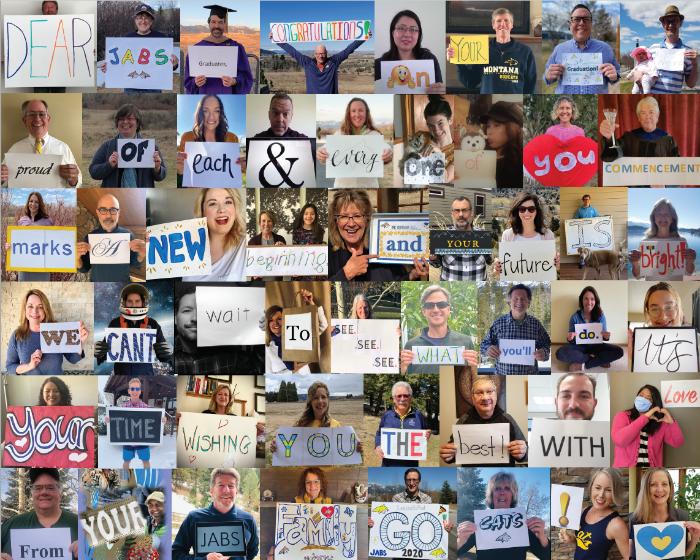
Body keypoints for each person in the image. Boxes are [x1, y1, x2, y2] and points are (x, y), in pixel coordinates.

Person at [328, 189, 428, 281]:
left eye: (357, 216)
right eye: (344, 216)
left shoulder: (384, 243)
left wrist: (411, 276)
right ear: (336, 221)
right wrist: (346, 273)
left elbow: (397, 283)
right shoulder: (327, 250)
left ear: (367, 219)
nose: (351, 224)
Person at [457, 471, 550, 560]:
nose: (502, 492)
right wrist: (460, 541)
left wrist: (542, 537)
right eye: (497, 488)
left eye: (507, 488)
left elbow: (547, 556)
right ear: (492, 494)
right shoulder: (479, 522)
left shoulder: (523, 524)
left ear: (513, 495)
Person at [174, 284, 264, 374]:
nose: (195, 318)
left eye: (201, 311)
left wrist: (264, 333)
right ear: (175, 319)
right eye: (187, 311)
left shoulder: (232, 356)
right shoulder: (165, 356)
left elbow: (258, 370)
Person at [173, 468, 259, 560]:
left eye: (231, 486)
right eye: (221, 485)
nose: (226, 490)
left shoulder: (248, 519)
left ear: (237, 492)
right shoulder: (194, 518)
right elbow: (175, 554)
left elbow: (252, 551)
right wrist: (204, 559)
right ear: (212, 492)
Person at [440, 377, 528, 467]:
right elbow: (453, 453)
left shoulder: (509, 420)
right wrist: (448, 455)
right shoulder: (463, 421)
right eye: (479, 393)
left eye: (490, 392)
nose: (485, 397)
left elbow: (527, 454)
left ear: (496, 395)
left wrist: (523, 453)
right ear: (472, 398)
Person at [447, 7, 537, 94]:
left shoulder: (525, 52)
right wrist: (458, 61)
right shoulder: (480, 50)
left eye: (506, 20)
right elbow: (470, 83)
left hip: (515, 103)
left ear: (512, 24)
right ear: (493, 25)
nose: (503, 24)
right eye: (498, 21)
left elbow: (531, 86)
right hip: (490, 103)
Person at [600, 97, 681, 187]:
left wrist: (665, 185)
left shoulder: (668, 140)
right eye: (643, 113)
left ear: (657, 116)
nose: (647, 117)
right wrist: (609, 137)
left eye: (651, 112)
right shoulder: (629, 137)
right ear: (639, 117)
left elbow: (678, 173)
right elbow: (613, 156)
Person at [94, 283, 173, 375]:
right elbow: (106, 352)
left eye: (137, 301)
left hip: (146, 374)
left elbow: (162, 356)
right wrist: (99, 352)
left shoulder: (152, 324)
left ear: (143, 302)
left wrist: (168, 353)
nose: (133, 305)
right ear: (124, 302)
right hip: (121, 373)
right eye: (130, 301)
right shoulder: (115, 323)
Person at [98, 4, 179, 93]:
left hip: (153, 88)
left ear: (151, 20)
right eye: (140, 18)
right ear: (135, 20)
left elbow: (167, 66)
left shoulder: (161, 38)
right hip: (130, 89)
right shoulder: (127, 38)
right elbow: (121, 62)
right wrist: (109, 68)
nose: (143, 21)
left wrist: (174, 65)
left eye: (147, 18)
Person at [0, 468, 79, 560]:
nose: (44, 492)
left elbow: (98, 555)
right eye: (38, 488)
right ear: (32, 494)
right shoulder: (10, 525)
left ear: (60, 493)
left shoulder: (82, 525)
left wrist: (90, 552)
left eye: (50, 487)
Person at [6, 289, 88, 375]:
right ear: (25, 309)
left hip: (57, 381)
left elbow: (73, 359)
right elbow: (10, 367)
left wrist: (81, 341)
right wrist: (29, 366)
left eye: (40, 307)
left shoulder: (57, 330)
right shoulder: (17, 336)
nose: (35, 311)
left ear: (46, 310)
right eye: (30, 306)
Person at [1, 100, 81, 187]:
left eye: (42, 114)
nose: (37, 119)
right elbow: (3, 185)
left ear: (48, 119)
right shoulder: (14, 149)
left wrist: (74, 179)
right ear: (24, 121)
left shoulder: (63, 148)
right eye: (32, 114)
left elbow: (78, 184)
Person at [400, 284, 478, 374]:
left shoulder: (465, 342)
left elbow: (473, 378)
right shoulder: (411, 345)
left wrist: (475, 368)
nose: (436, 309)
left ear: (448, 309)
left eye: (441, 304)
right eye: (430, 305)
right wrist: (402, 370)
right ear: (423, 311)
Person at [316, 97, 393, 188]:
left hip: (369, 188)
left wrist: (389, 154)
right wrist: (321, 153)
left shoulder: (374, 135)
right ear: (348, 114)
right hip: (342, 188)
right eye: (353, 111)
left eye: (361, 110)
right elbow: (327, 148)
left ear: (366, 113)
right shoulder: (340, 134)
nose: (357, 114)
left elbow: (386, 148)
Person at [543, 4, 620, 93]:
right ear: (571, 24)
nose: (581, 23)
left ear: (591, 24)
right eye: (576, 19)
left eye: (586, 19)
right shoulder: (559, 49)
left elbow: (617, 72)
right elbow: (546, 78)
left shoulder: (605, 48)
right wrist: (547, 76)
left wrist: (615, 76)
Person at [269, 381, 363, 454]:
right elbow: (290, 449)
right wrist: (277, 447)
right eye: (315, 398)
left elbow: (343, 448)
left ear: (328, 399)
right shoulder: (300, 425)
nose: (320, 401)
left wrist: (356, 447)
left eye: (323, 397)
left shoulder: (335, 424)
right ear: (310, 401)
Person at [628, 467, 700, 560]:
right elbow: (631, 550)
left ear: (670, 488)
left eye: (664, 484)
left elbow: (684, 552)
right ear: (646, 488)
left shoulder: (682, 516)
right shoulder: (633, 518)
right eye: (653, 484)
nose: (660, 489)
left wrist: (695, 539)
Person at [558, 468, 630, 560]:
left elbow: (629, 557)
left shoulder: (616, 525)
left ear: (614, 493)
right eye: (598, 488)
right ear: (591, 488)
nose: (601, 495)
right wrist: (571, 540)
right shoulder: (582, 512)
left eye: (608, 490)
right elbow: (587, 542)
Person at [269, 30, 372, 94]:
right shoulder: (307, 63)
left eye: (323, 54)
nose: (320, 56)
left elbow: (348, 50)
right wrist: (276, 40)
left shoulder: (334, 61)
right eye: (318, 54)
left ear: (326, 53)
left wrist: (364, 37)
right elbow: (292, 51)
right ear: (314, 54)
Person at [88, 104, 167, 188]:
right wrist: (109, 165)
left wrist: (157, 168)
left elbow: (161, 176)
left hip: (142, 197)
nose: (125, 122)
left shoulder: (150, 147)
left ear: (137, 122)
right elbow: (93, 172)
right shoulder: (107, 146)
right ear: (117, 122)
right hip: (113, 197)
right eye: (121, 119)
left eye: (130, 119)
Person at [480, 283, 551, 375]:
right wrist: (488, 349)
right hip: (503, 378)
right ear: (510, 302)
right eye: (515, 299)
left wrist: (544, 353)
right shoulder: (498, 323)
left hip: (529, 378)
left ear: (528, 302)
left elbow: (546, 343)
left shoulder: (536, 324)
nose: (519, 302)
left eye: (523, 299)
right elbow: (483, 345)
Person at [176, 94, 246, 187]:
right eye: (206, 111)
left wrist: (243, 168)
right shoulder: (187, 137)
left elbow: (232, 176)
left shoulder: (232, 138)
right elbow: (183, 174)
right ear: (200, 113)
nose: (211, 116)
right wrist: (179, 168)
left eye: (216, 111)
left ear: (220, 114)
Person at [184, 5, 253, 95]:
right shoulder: (197, 49)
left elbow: (246, 78)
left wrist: (234, 81)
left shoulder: (236, 48)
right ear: (208, 23)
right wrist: (195, 82)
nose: (216, 26)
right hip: (203, 97)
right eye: (213, 22)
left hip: (229, 98)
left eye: (220, 22)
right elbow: (188, 81)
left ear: (225, 24)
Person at [76, 193, 145, 282]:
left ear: (118, 212)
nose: (108, 215)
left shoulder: (128, 235)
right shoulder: (90, 237)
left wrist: (142, 255)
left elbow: (134, 263)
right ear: (98, 212)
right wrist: (77, 258)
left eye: (113, 210)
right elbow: (84, 269)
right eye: (103, 210)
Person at [182, 188, 246, 282]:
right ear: (202, 212)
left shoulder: (247, 244)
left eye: (228, 202)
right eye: (212, 204)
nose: (221, 210)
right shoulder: (184, 245)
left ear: (235, 208)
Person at [555, 286, 625, 372]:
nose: (589, 302)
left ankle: (584, 366)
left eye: (592, 299)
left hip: (596, 346)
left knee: (619, 351)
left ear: (595, 301)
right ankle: (596, 359)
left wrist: (606, 336)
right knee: (560, 353)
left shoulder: (601, 316)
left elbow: (603, 337)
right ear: (581, 300)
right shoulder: (575, 317)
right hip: (579, 346)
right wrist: (570, 338)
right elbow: (571, 340)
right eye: (586, 299)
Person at [612, 384, 683, 467]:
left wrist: (671, 424)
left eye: (648, 398)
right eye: (641, 395)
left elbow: (678, 442)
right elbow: (619, 441)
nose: (642, 399)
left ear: (653, 404)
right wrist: (645, 417)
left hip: (651, 471)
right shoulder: (623, 416)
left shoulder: (659, 422)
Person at [375, 10, 445, 93]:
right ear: (393, 33)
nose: (407, 34)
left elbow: (439, 94)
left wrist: (443, 91)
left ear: (418, 35)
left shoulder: (429, 59)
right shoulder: (382, 63)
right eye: (401, 28)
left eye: (413, 29)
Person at [104, 378, 167, 469]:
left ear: (140, 391)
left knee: (146, 461)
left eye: (137, 389)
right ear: (129, 391)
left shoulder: (146, 408)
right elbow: (116, 422)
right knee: (126, 462)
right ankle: (125, 478)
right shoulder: (122, 408)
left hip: (143, 440)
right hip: (127, 440)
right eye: (132, 389)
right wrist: (109, 421)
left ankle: (147, 477)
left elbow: (153, 421)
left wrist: (161, 420)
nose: (135, 391)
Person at [493, 191, 560, 275]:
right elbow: (506, 271)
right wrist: (499, 270)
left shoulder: (548, 235)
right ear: (517, 211)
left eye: (531, 209)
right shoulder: (508, 235)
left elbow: (550, 269)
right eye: (522, 209)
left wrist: (556, 265)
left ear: (536, 211)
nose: (526, 213)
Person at [628, 198, 695, 280]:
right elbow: (638, 276)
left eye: (667, 214)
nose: (663, 217)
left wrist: (691, 261)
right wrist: (634, 263)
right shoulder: (645, 241)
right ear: (654, 219)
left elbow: (688, 272)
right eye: (659, 213)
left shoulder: (681, 241)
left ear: (672, 219)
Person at [264, 289, 328, 374]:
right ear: (268, 324)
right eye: (271, 320)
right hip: (284, 386)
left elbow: (322, 325)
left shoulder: (298, 335)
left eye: (279, 319)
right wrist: (293, 370)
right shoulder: (268, 347)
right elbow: (269, 376)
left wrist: (311, 305)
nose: (275, 323)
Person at [428, 196, 492, 281]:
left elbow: (490, 262)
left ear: (471, 212)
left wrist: (493, 256)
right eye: (457, 210)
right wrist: (434, 258)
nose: (461, 214)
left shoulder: (483, 236)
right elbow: (437, 264)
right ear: (452, 214)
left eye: (465, 210)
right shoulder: (442, 237)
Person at [368, 468, 454, 532]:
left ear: (419, 482)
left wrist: (445, 526)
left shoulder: (428, 499)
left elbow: (430, 522)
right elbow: (388, 520)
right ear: (405, 482)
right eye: (409, 480)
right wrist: (374, 522)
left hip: (420, 546)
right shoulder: (396, 499)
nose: (412, 483)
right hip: (399, 547)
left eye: (415, 480)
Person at [373, 381, 431, 467]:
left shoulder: (418, 415)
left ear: (411, 397)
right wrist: (377, 446)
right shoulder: (386, 416)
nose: (402, 399)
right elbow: (379, 433)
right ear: (393, 398)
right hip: (388, 465)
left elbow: (424, 432)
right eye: (399, 396)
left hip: (411, 466)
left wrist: (427, 434)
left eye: (406, 395)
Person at [176, 384, 265, 438]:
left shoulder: (235, 419)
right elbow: (196, 433)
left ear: (230, 399)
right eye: (220, 394)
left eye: (226, 395)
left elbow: (241, 437)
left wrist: (256, 433)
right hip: (205, 452)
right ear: (215, 398)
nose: (223, 397)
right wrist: (182, 423)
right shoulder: (205, 414)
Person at [627, 282, 690, 358]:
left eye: (669, 307)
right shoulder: (640, 342)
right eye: (655, 309)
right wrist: (634, 357)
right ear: (648, 313)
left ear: (678, 309)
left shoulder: (694, 340)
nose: (663, 317)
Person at [3, 191, 54, 281]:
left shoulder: (47, 220)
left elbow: (53, 241)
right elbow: (18, 241)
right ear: (28, 203)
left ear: (40, 204)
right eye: (31, 201)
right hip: (25, 263)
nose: (33, 204)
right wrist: (10, 246)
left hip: (42, 263)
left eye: (36, 202)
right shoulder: (22, 221)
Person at [404, 95, 455, 183]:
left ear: (450, 120)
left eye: (440, 123)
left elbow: (445, 179)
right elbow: (403, 170)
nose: (436, 130)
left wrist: (438, 154)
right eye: (430, 126)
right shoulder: (420, 137)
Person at [648, 5, 698, 94]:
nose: (670, 25)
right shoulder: (652, 49)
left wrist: (695, 64)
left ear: (680, 23)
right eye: (667, 21)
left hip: (671, 102)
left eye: (674, 21)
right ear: (663, 25)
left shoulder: (688, 52)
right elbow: (642, 69)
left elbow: (691, 85)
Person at [480, 101, 523, 188]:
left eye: (496, 125)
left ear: (514, 128)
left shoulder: (521, 161)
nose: (489, 132)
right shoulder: (481, 155)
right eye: (488, 126)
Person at [291, 203, 326, 281]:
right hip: (301, 269)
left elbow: (321, 252)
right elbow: (295, 253)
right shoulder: (297, 232)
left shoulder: (320, 231)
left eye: (312, 214)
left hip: (315, 269)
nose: (309, 216)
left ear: (315, 215)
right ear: (302, 215)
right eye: (306, 214)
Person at [249, 210, 286, 281]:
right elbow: (249, 266)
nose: (266, 224)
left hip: (276, 284)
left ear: (273, 223)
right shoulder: (252, 242)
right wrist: (252, 273)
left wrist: (285, 251)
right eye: (263, 221)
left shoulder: (280, 239)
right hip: (258, 285)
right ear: (259, 223)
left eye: (269, 221)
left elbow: (285, 264)